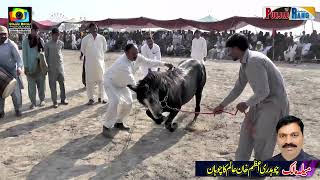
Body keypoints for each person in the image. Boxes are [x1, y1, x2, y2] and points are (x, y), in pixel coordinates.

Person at [212, 33, 289, 161]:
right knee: (246, 134)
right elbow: (238, 88)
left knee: (263, 141)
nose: (228, 53)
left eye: (229, 50)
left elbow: (264, 91)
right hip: (260, 101)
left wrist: (246, 104)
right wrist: (222, 105)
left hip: (274, 104)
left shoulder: (254, 61)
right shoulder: (245, 62)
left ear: (237, 48)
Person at [102, 44, 173, 138]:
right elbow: (135, 85)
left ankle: (119, 122)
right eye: (133, 53)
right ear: (126, 53)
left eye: (137, 52)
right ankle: (106, 127)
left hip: (123, 83)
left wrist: (164, 64)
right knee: (115, 101)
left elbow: (149, 62)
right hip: (111, 82)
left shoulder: (137, 57)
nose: (136, 55)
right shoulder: (122, 65)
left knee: (129, 102)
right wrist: (147, 98)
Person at [80, 23, 107, 105]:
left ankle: (101, 97)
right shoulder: (85, 39)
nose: (95, 29)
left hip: (100, 63)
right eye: (93, 28)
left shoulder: (102, 38)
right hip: (89, 64)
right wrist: (91, 56)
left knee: (101, 81)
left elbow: (104, 49)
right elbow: (83, 50)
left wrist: (98, 57)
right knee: (89, 82)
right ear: (89, 29)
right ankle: (91, 99)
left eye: (96, 28)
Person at [0, 25, 23, 118]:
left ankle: (18, 109)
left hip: (12, 72)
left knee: (15, 93)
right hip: (1, 72)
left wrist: (19, 68)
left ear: (7, 34)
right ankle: (1, 111)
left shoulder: (11, 45)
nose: (2, 36)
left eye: (4, 34)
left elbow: (19, 60)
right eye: (0, 34)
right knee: (0, 93)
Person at [22, 23, 46, 109]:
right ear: (30, 31)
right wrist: (25, 67)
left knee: (41, 85)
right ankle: (33, 102)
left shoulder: (41, 40)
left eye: (36, 30)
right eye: (33, 30)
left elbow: (43, 54)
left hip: (40, 67)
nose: (35, 32)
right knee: (31, 87)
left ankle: (42, 100)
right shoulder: (25, 41)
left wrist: (42, 63)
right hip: (30, 68)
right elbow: (24, 55)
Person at [44, 28, 68, 108]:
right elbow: (46, 57)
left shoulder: (61, 43)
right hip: (51, 69)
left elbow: (61, 53)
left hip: (60, 68)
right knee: (53, 86)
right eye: (55, 35)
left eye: (58, 35)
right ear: (52, 35)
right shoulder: (47, 44)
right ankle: (54, 101)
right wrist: (47, 67)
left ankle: (63, 99)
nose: (57, 36)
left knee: (62, 84)